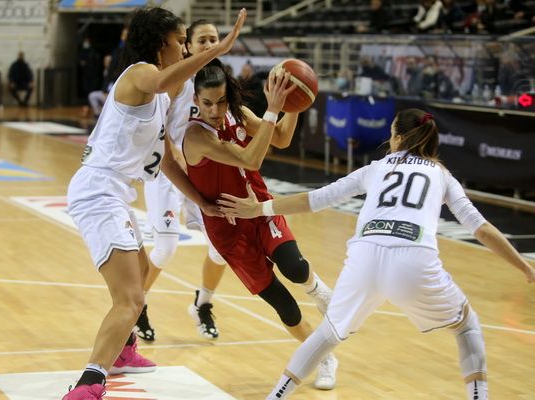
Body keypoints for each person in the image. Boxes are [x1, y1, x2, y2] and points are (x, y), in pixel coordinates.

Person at [217, 108, 535, 400]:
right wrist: (524, 266)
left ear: (398, 137)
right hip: (414, 260)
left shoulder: (376, 168)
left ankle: (276, 396)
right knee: (466, 326)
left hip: (364, 258)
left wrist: (259, 208)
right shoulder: (441, 175)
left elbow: (315, 199)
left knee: (327, 334)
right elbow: (482, 229)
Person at [63, 7, 247, 400]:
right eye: (181, 41)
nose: (185, 48)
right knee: (130, 299)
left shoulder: (161, 99)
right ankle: (88, 386)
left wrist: (200, 201)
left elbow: (167, 160)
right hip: (98, 190)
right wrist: (218, 49)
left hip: (116, 192)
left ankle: (122, 350)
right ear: (161, 43)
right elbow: (164, 78)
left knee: (143, 273)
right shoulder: (140, 74)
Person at [181, 59, 338, 390]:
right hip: (228, 231)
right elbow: (250, 158)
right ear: (196, 100)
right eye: (207, 103)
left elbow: (280, 138)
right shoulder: (195, 136)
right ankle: (324, 357)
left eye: (221, 101)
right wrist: (273, 108)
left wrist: (293, 104)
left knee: (295, 267)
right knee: (286, 307)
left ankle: (319, 291)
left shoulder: (236, 115)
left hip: (258, 207)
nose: (215, 110)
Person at [137, 19, 228, 343]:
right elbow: (156, 126)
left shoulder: (220, 83)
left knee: (222, 248)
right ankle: (136, 306)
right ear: (188, 46)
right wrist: (174, 152)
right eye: (202, 40)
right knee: (165, 249)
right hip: (168, 173)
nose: (209, 44)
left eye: (214, 39)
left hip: (202, 174)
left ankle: (202, 304)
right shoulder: (178, 79)